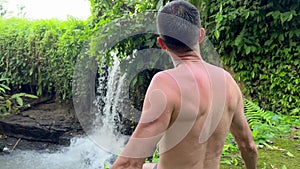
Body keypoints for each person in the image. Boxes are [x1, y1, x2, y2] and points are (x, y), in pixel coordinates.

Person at [111, 0, 258, 169]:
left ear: (162, 44)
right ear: (201, 35)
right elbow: (248, 147)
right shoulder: (228, 81)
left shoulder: (166, 84)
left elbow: (131, 163)